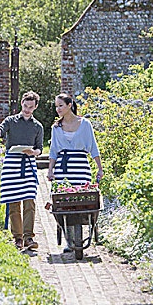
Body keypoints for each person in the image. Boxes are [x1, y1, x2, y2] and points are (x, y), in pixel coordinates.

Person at [47, 93, 103, 251]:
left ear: (69, 105)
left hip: (81, 167)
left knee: (81, 202)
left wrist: (99, 168)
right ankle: (68, 241)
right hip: (63, 168)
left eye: (60, 106)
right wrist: (50, 170)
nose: (58, 109)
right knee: (63, 204)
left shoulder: (85, 124)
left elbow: (93, 146)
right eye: (56, 106)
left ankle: (78, 237)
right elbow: (53, 151)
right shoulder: (56, 128)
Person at [0, 91, 44, 250]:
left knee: (29, 200)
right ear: (21, 104)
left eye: (30, 107)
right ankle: (18, 238)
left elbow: (40, 149)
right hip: (12, 165)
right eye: (25, 106)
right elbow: (0, 128)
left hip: (28, 164)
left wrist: (34, 152)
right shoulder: (11, 121)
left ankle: (29, 237)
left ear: (35, 107)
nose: (27, 109)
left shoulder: (38, 126)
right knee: (13, 200)